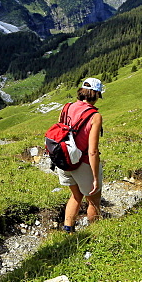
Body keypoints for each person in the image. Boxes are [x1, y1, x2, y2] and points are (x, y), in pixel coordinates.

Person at [58, 77, 105, 232]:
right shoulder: (95, 116)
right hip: (82, 162)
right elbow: (92, 151)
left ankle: (68, 230)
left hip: (63, 159)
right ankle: (95, 232)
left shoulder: (66, 107)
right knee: (94, 201)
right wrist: (96, 178)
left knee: (76, 196)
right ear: (96, 94)